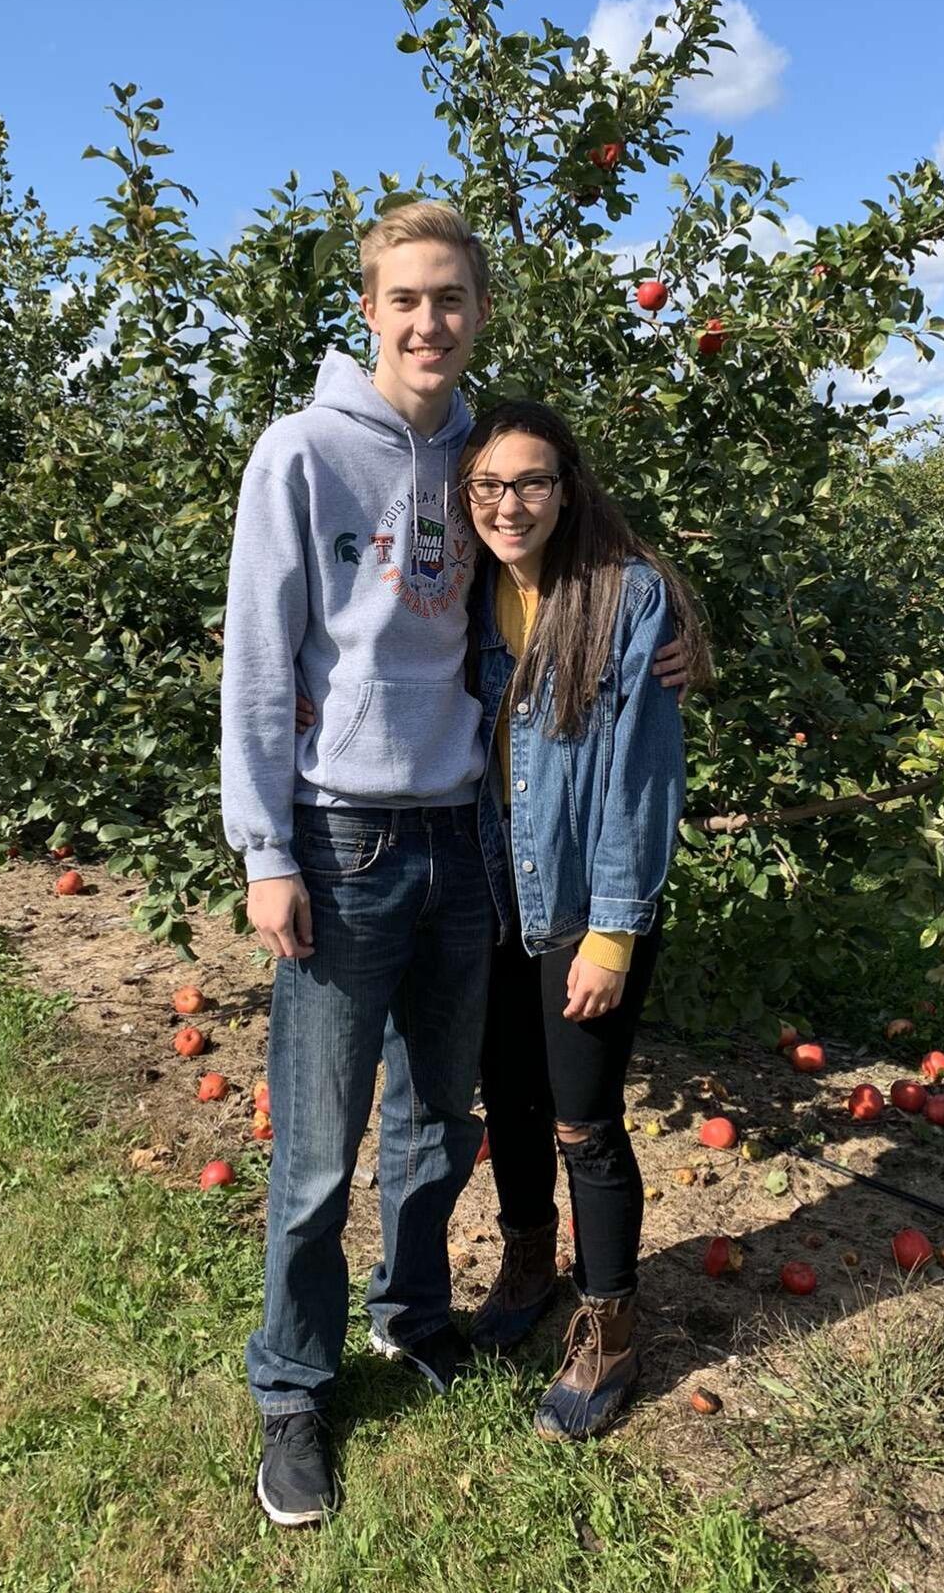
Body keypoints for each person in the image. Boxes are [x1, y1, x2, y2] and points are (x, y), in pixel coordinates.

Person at [219, 202, 691, 1526]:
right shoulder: (301, 456)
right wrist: (266, 849)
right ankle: (293, 1387)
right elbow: (259, 668)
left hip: (471, 845)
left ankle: (411, 1319)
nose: (428, 322)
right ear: (368, 307)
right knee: (319, 1149)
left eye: (453, 300)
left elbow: (575, 539)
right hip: (343, 836)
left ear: (480, 311)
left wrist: (667, 612)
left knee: (440, 1120)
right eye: (405, 299)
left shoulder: (481, 455)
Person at [459, 399, 709, 1442]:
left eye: (529, 483)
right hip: (487, 890)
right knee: (508, 1096)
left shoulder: (626, 599)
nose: (507, 505)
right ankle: (528, 1265)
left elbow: (638, 782)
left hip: (581, 900)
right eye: (487, 486)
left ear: (568, 489)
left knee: (584, 1118)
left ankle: (610, 1328)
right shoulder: (462, 593)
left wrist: (613, 932)